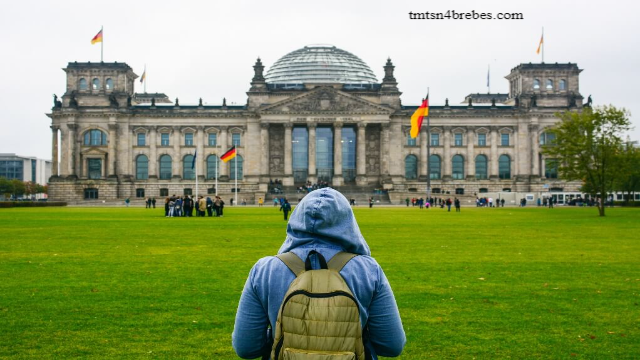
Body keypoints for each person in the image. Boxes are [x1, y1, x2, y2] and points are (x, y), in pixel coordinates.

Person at [232, 188, 405, 359]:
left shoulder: (265, 270)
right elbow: (391, 346)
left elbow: (246, 348)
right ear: (347, 221)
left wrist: (283, 333)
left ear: (297, 218)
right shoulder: (368, 270)